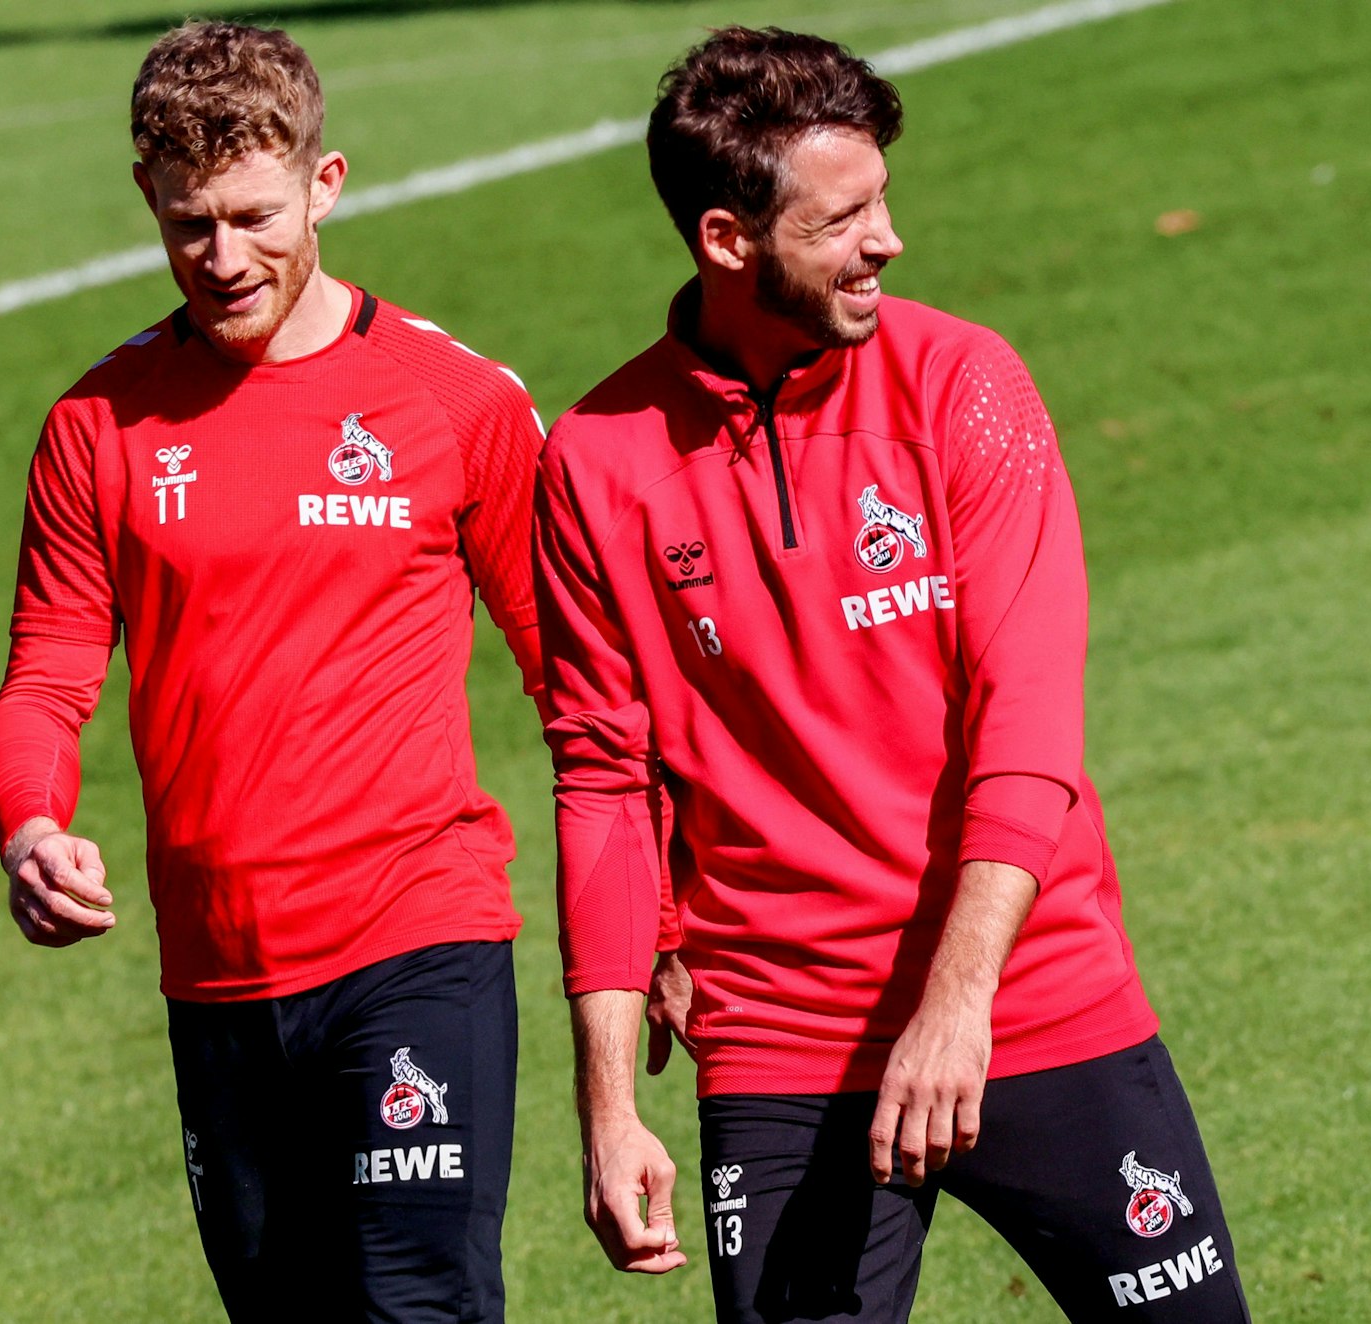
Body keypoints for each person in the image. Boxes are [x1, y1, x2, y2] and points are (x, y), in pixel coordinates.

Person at [535, 26, 1251, 1322]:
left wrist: (956, 1002)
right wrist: (607, 1109)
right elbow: (601, 788)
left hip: (1030, 993)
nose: (888, 240)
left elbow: (1026, 720)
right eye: (845, 216)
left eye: (883, 201)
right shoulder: (597, 460)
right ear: (726, 240)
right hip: (784, 1039)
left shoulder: (962, 384)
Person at [0, 22, 545, 1323]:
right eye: (191, 225)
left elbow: (575, 681)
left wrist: (664, 924)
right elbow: (48, 675)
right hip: (218, 973)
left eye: (253, 216)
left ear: (326, 182)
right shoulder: (97, 426)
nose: (224, 259)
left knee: (418, 1308)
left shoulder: (448, 402)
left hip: (419, 939)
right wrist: (31, 826)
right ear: (149, 200)